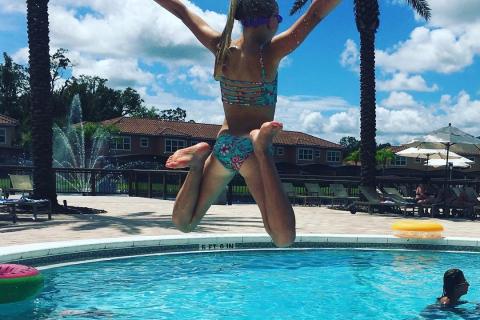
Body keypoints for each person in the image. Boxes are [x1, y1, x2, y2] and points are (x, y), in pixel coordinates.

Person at [153, 0, 341, 247]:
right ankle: (262, 148)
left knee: (184, 223)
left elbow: (182, 10)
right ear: (273, 21)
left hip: (224, 147)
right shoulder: (272, 52)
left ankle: (197, 163)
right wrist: (260, 150)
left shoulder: (221, 48)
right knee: (283, 238)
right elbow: (315, 13)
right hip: (251, 149)